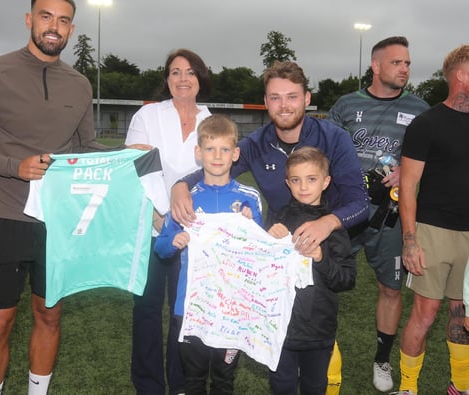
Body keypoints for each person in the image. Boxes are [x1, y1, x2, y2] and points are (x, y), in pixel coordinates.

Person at [170, 61, 368, 394]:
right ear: (265, 101)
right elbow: (217, 166)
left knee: (319, 342)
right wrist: (179, 185)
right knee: (284, 354)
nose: (284, 105)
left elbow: (360, 202)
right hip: (282, 249)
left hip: (328, 246)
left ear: (307, 98)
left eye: (292, 96)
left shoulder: (334, 138)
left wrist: (326, 223)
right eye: (275, 98)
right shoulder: (258, 143)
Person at [0, 0, 109, 395]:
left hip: (58, 222)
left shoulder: (78, 84)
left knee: (50, 315)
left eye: (62, 21)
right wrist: (13, 168)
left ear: (72, 28)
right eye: (46, 17)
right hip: (5, 218)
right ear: (29, 20)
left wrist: (131, 157)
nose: (53, 27)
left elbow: (86, 147)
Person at [327, 36, 429, 392]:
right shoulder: (346, 104)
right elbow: (326, 153)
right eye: (397, 62)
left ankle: (382, 360)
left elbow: (434, 157)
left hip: (391, 217)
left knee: (390, 287)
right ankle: (323, 353)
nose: (405, 69)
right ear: (376, 66)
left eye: (407, 63)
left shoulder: (420, 109)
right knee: (323, 283)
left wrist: (409, 170)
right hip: (344, 212)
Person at [125, 48, 213, 395]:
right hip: (150, 226)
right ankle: (148, 386)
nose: (182, 79)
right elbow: (137, 169)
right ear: (167, 79)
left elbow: (213, 173)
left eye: (189, 72)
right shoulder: (148, 116)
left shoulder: (211, 120)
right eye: (175, 72)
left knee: (184, 313)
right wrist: (159, 217)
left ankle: (180, 384)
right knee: (146, 310)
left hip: (191, 233)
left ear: (200, 79)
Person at [154, 114, 263, 394]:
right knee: (193, 380)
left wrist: (252, 226)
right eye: (210, 149)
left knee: (225, 380)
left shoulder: (249, 198)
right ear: (198, 153)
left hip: (232, 307)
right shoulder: (186, 198)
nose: (217, 156)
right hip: (190, 307)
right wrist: (175, 241)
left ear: (235, 154)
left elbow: (260, 251)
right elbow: (161, 248)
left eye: (225, 149)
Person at [396, 44, 469, 395]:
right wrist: (410, 240)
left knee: (464, 312)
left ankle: (460, 382)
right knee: (426, 313)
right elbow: (408, 185)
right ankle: (408, 386)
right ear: (462, 75)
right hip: (433, 230)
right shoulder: (426, 123)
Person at [266, 146, 356, 395]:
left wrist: (321, 257)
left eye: (311, 179)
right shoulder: (278, 219)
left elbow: (347, 279)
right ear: (287, 183)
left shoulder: (333, 225)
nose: (303, 186)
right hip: (281, 326)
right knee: (281, 386)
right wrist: (270, 239)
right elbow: (261, 271)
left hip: (319, 329)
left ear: (326, 182)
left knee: (314, 387)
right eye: (296, 180)